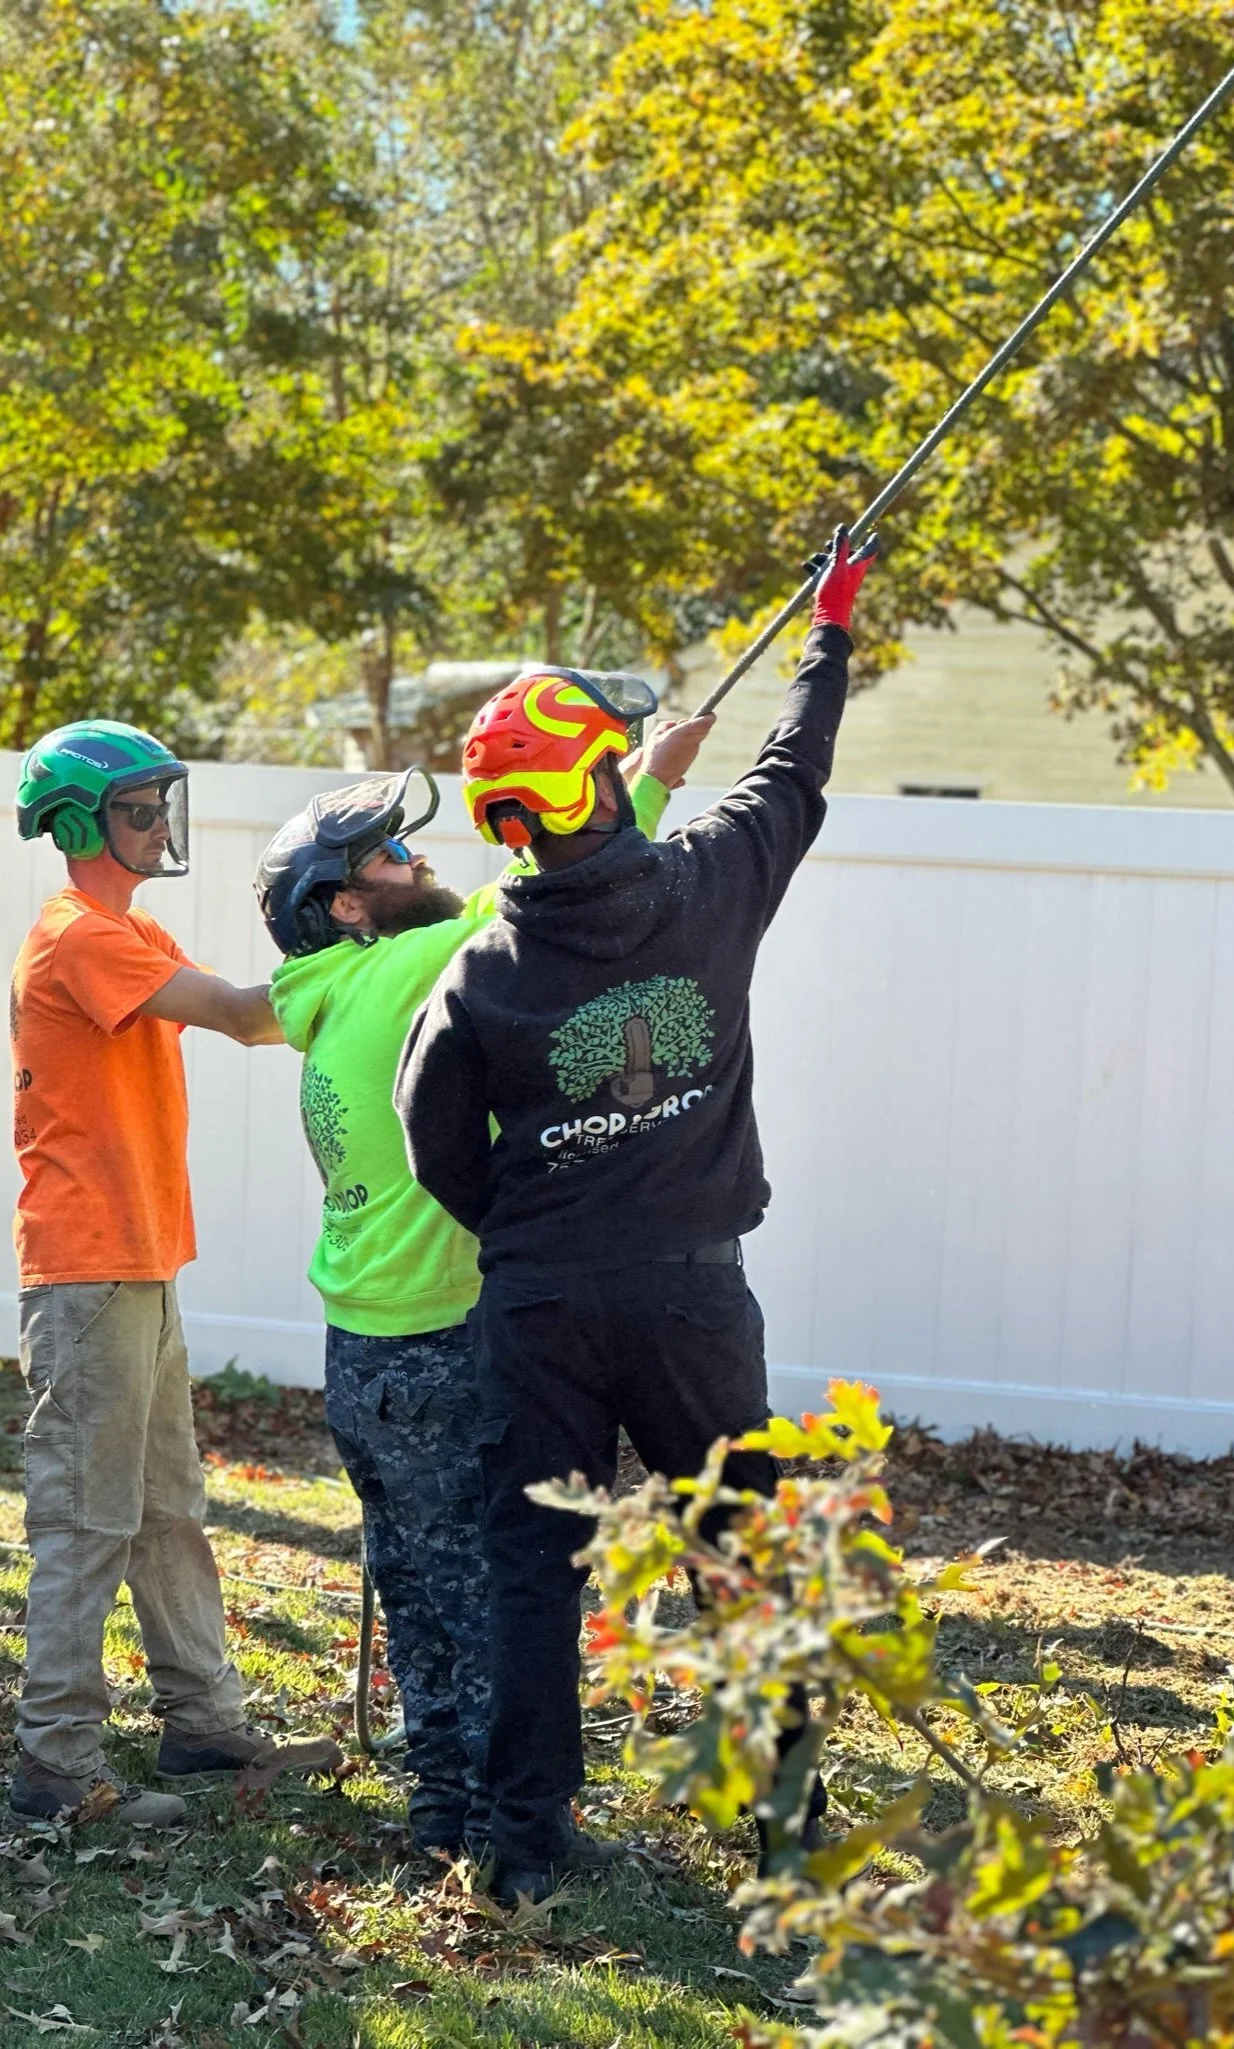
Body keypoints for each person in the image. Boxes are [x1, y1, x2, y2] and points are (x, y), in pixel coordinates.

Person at [394, 530, 878, 1904]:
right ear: (597, 780)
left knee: (533, 1570)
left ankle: (524, 1848)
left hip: (538, 1305)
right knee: (744, 1558)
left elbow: (442, 1149)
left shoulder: (482, 968)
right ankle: (789, 1837)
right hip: (691, 1301)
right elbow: (796, 767)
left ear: (507, 821)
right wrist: (827, 623)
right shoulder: (712, 884)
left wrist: (536, 1226)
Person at [253, 718, 709, 1859]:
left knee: (420, 1588)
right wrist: (645, 779)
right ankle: (503, 1826)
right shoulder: (416, 965)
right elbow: (546, 893)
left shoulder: (331, 995)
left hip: (359, 1351)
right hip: (436, 1338)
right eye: (391, 861)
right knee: (492, 1591)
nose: (420, 862)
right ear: (347, 906)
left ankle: (443, 1809)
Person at [8, 718, 332, 1826]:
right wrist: (377, 942)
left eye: (162, 806)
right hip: (88, 1272)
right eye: (140, 810)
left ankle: (201, 1727)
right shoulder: (80, 938)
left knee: (164, 1509)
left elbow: (247, 1013)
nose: (159, 826)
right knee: (88, 1520)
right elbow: (248, 1018)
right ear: (75, 821)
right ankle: (53, 1772)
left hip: (138, 1265)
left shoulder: (124, 932)